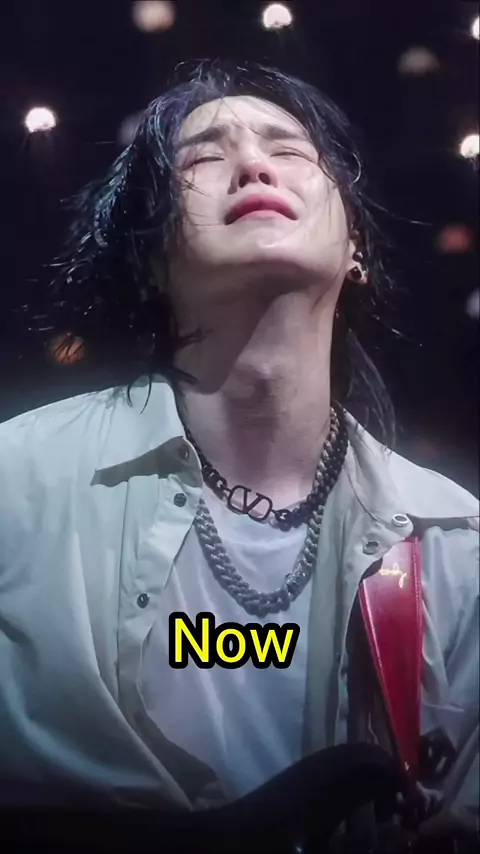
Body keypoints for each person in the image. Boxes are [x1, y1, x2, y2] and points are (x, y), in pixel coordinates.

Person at [0, 59, 478, 849]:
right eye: (203, 158)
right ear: (150, 259)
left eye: (288, 149)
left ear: (354, 247)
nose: (254, 164)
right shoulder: (16, 484)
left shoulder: (456, 543)